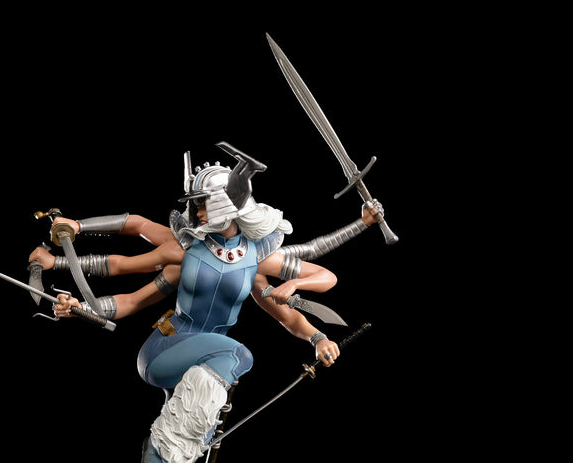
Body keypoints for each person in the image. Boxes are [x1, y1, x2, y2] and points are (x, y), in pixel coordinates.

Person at [30, 143, 382, 463]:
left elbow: (313, 280)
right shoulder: (184, 251)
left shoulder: (255, 262)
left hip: (208, 364)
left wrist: (316, 333)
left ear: (227, 204)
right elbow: (127, 280)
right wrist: (76, 285)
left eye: (203, 203)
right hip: (166, 350)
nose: (197, 211)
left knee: (187, 441)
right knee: (237, 357)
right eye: (196, 204)